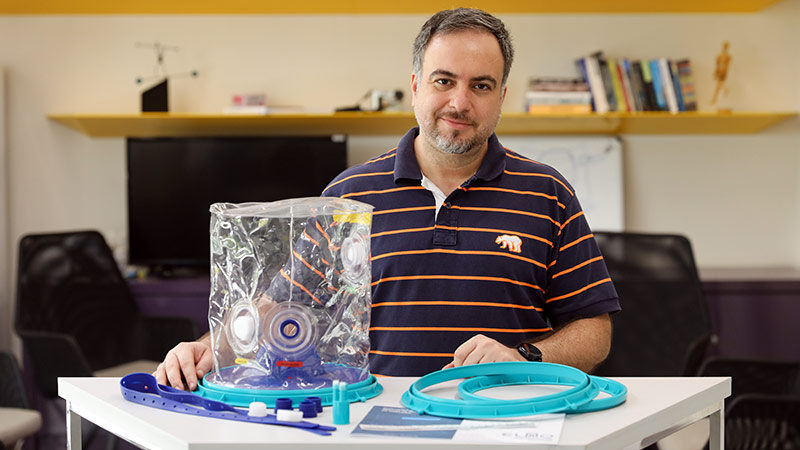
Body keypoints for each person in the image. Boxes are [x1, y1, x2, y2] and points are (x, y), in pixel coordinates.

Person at [155, 7, 619, 389]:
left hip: (512, 415)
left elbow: (595, 332)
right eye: (443, 81)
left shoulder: (547, 192)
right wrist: (206, 350)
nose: (460, 102)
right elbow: (280, 308)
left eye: (481, 85)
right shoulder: (350, 195)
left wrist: (522, 358)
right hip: (380, 421)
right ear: (416, 86)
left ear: (501, 96)